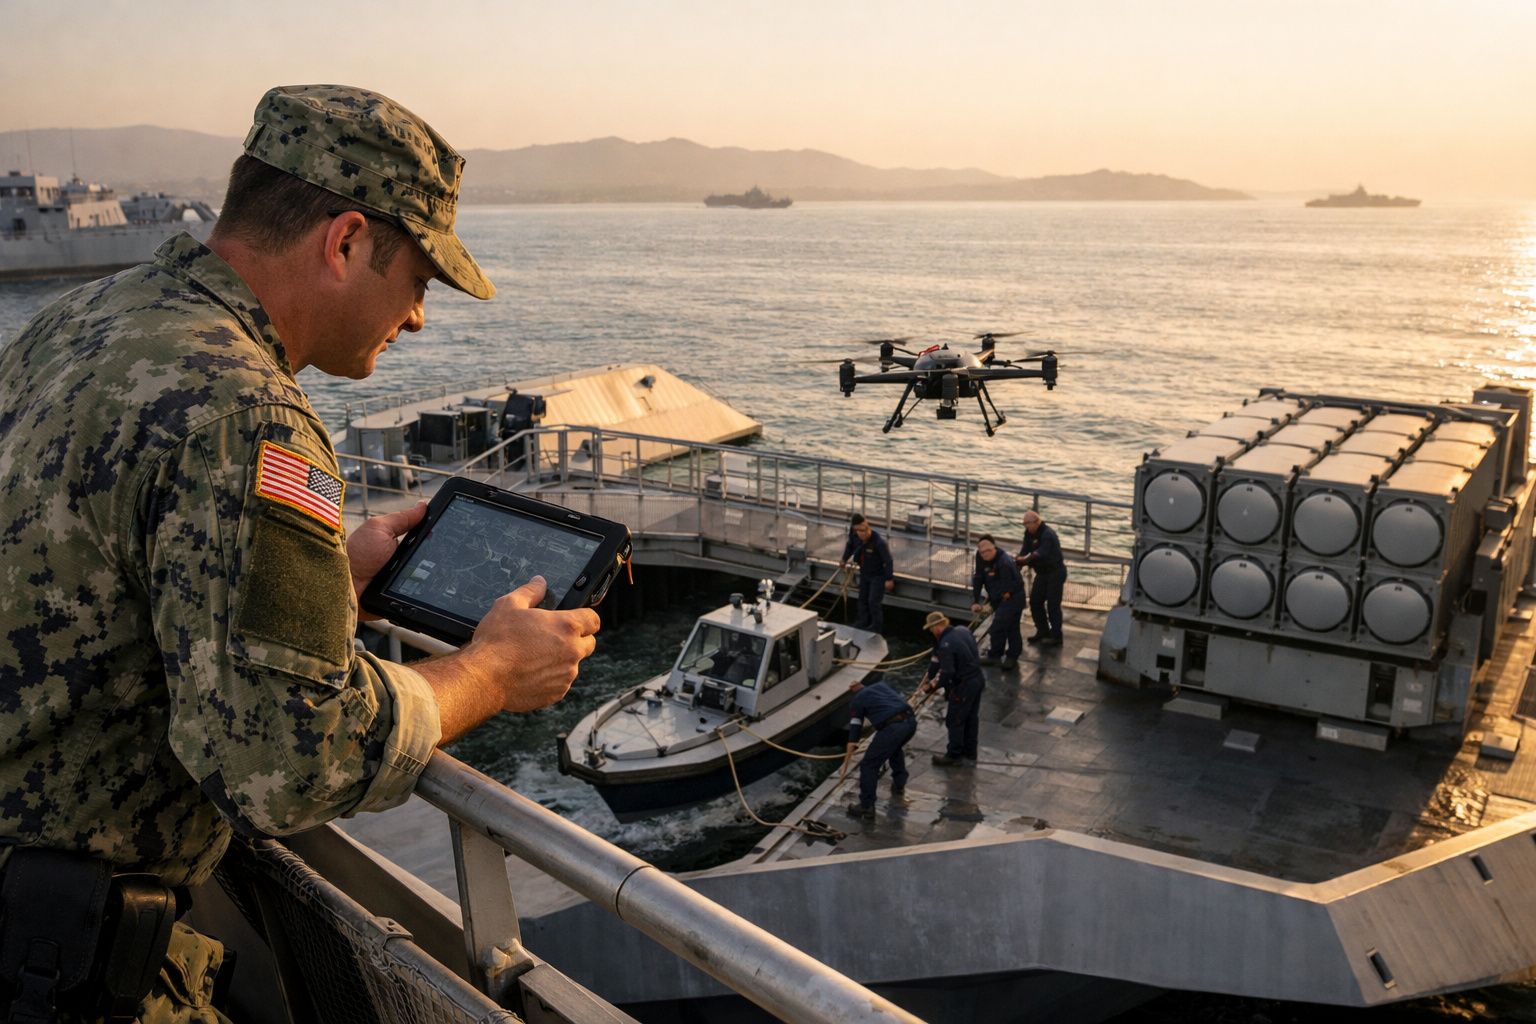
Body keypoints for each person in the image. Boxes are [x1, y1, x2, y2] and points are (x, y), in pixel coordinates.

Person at [0, 85, 601, 1021]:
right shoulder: (248, 413)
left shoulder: (79, 323)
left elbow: (92, 590)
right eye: (420, 280)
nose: (418, 319)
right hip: (56, 964)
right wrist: (489, 673)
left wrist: (330, 588)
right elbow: (288, 760)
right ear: (347, 241)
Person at [842, 674, 917, 820]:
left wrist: (852, 743)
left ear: (852, 691)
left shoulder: (857, 700)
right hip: (910, 722)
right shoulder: (881, 686)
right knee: (894, 749)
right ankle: (899, 784)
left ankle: (866, 807)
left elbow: (856, 724)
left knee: (869, 765)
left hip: (892, 728)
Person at [919, 611, 985, 767]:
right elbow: (936, 660)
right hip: (977, 679)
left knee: (955, 719)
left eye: (931, 629)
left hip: (964, 685)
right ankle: (970, 752)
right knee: (971, 717)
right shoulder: (962, 630)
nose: (931, 632)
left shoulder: (946, 645)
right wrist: (930, 676)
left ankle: (954, 755)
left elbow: (948, 672)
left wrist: (933, 686)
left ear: (936, 627)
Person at [970, 534, 1025, 670]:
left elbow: (1008, 588)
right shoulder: (981, 557)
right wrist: (975, 600)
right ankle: (995, 655)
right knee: (1002, 626)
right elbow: (978, 577)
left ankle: (1012, 656)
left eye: (988, 551)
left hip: (1012, 596)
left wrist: (994, 604)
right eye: (982, 552)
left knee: (1006, 626)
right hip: (997, 595)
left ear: (994, 548)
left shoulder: (1004, 562)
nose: (985, 554)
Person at [1017, 510, 1067, 647]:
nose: (1026, 526)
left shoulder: (1048, 534)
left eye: (1027, 523)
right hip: (1042, 573)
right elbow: (1025, 549)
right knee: (1035, 601)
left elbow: (1040, 553)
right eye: (1024, 524)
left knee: (1053, 605)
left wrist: (1025, 560)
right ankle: (1043, 630)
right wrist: (1018, 561)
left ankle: (1056, 636)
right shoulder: (1028, 533)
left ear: (1036, 522)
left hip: (1055, 572)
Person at [839, 513, 895, 633]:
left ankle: (876, 627)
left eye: (863, 531)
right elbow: (850, 546)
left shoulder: (878, 542)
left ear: (867, 529)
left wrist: (889, 579)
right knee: (862, 599)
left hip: (877, 575)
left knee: (873, 602)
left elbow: (888, 561)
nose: (861, 534)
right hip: (864, 573)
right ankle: (863, 622)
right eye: (858, 531)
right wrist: (844, 559)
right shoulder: (855, 535)